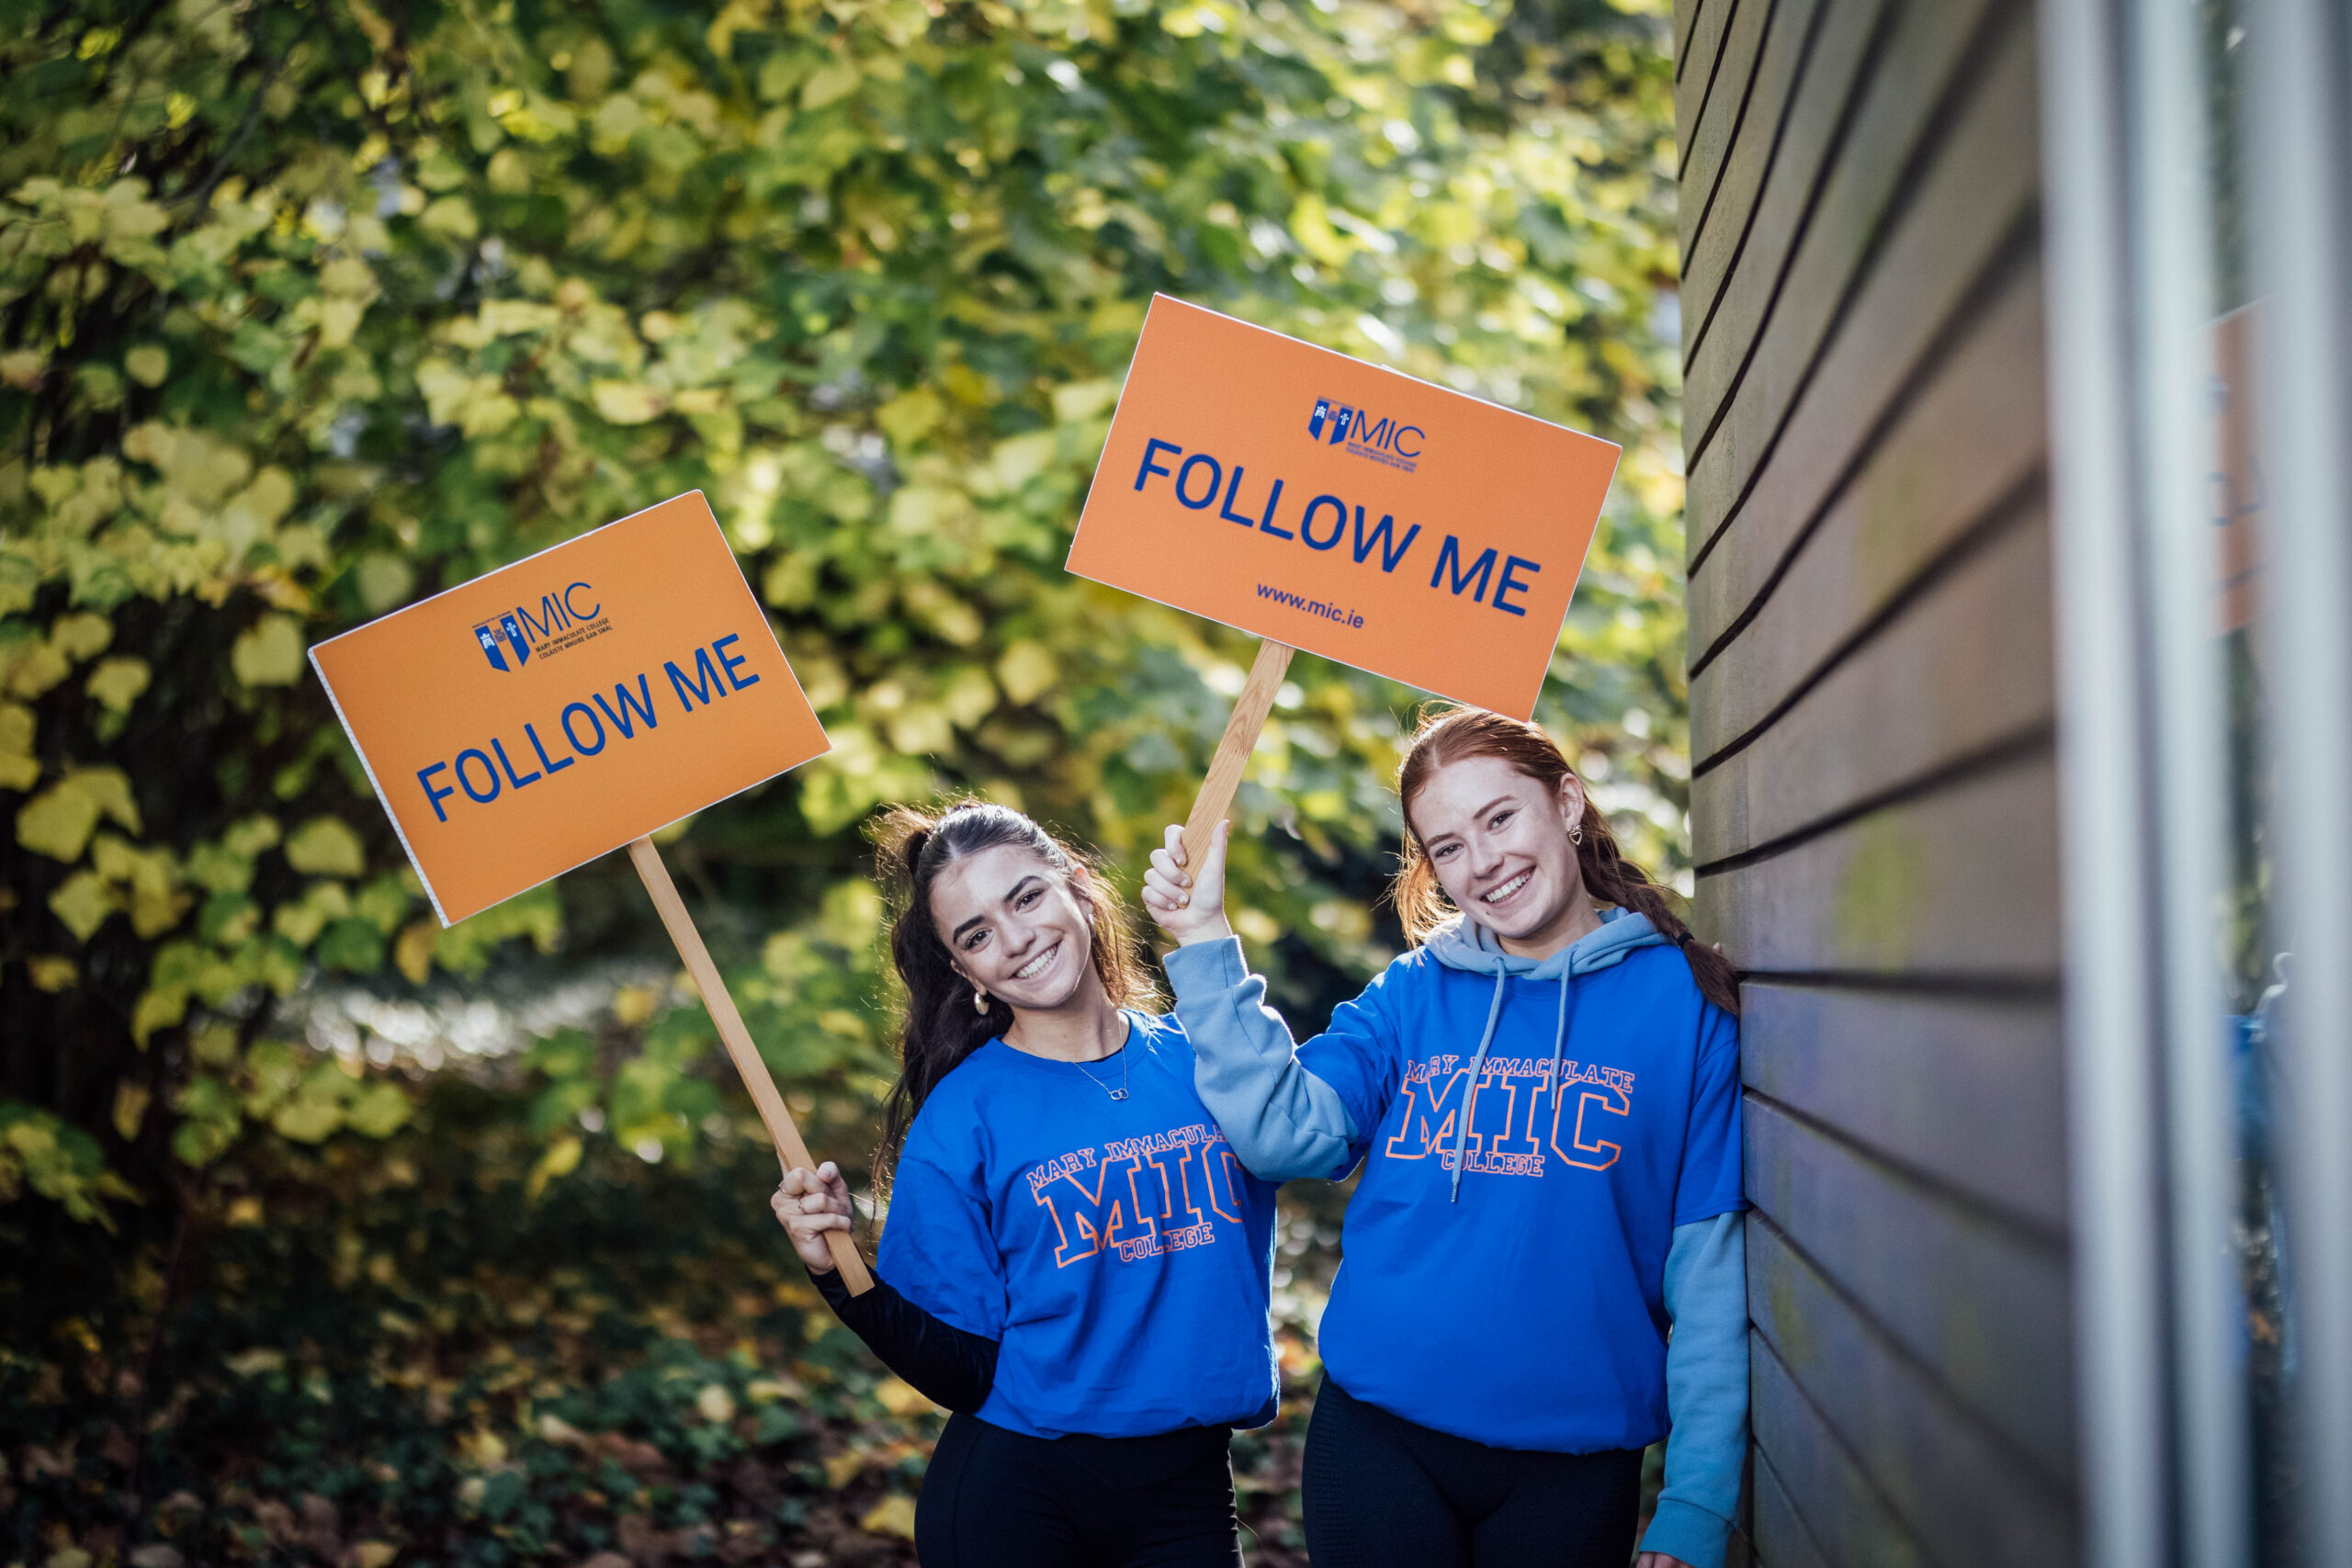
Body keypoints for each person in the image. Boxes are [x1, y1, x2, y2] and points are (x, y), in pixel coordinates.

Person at [1140, 706, 1748, 1568]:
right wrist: (1203, 940)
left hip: (1570, 1466)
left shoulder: (1686, 1004)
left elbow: (1713, 1275)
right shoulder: (1412, 993)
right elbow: (1283, 1135)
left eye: (1500, 817)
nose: (1485, 861)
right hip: (1380, 1442)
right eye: (1450, 845)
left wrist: (1697, 1501)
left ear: (1567, 804)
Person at [768, 800, 1281, 1568]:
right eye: (976, 934)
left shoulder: (1211, 1061)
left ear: (1076, 884)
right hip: (1020, 1498)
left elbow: (1320, 1143)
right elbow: (963, 1370)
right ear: (961, 967)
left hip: (1189, 1490)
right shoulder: (959, 1120)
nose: (1016, 939)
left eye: (1026, 897)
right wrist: (834, 1271)